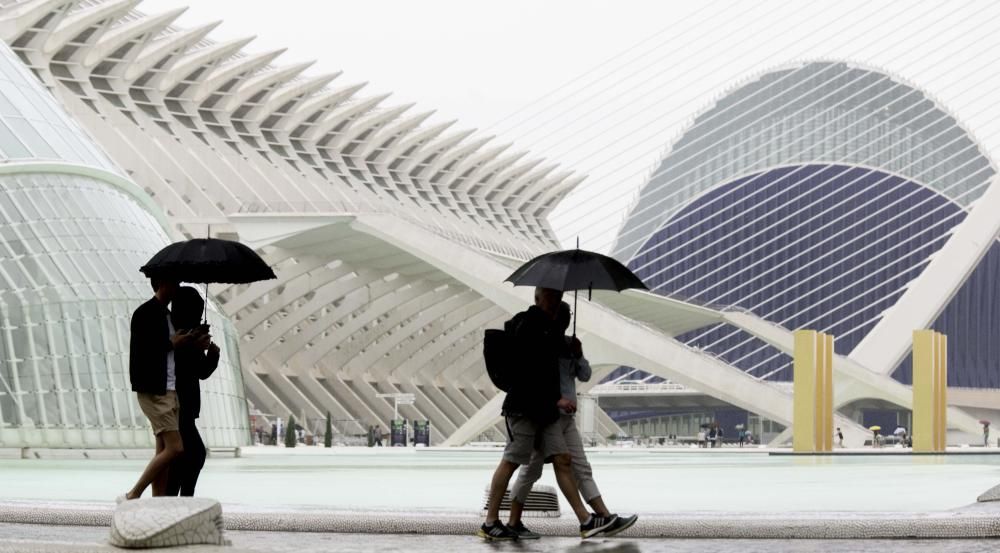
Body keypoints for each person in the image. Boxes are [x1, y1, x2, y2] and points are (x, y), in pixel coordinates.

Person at [478, 287, 618, 541]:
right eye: (551, 297)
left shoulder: (549, 331)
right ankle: (490, 522)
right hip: (523, 409)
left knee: (563, 460)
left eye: (559, 297)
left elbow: (558, 373)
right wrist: (558, 398)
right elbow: (529, 373)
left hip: (545, 412)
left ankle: (586, 521)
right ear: (538, 298)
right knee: (511, 462)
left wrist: (574, 352)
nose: (556, 302)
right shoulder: (529, 326)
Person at [506, 302, 638, 540]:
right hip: (548, 415)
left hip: (567, 417)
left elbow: (585, 375)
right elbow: (539, 379)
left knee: (579, 466)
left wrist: (578, 354)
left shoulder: (569, 345)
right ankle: (517, 521)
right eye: (562, 316)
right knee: (533, 469)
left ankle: (603, 516)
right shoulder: (543, 343)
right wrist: (556, 400)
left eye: (567, 317)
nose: (565, 320)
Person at [120, 278, 194, 501]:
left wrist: (191, 341)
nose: (177, 288)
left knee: (163, 450)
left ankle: (158, 499)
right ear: (163, 284)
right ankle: (133, 494)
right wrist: (173, 342)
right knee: (176, 448)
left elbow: (168, 349)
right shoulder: (145, 313)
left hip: (169, 388)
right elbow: (145, 350)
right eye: (175, 283)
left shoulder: (167, 315)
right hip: (155, 390)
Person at [165, 287, 220, 497]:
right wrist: (203, 350)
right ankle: (182, 500)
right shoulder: (181, 337)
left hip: (180, 405)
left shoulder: (177, 331)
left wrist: (207, 351)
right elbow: (198, 370)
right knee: (195, 454)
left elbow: (200, 370)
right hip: (180, 404)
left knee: (185, 457)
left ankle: (178, 501)